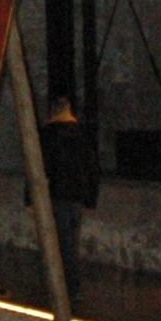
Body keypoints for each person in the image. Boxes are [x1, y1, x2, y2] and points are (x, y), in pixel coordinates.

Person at [39, 92, 100, 299]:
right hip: (77, 194)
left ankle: (68, 287)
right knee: (71, 242)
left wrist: (30, 198)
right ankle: (68, 286)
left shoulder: (48, 134)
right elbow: (92, 168)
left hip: (57, 193)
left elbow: (39, 167)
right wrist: (90, 198)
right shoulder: (81, 133)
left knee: (61, 243)